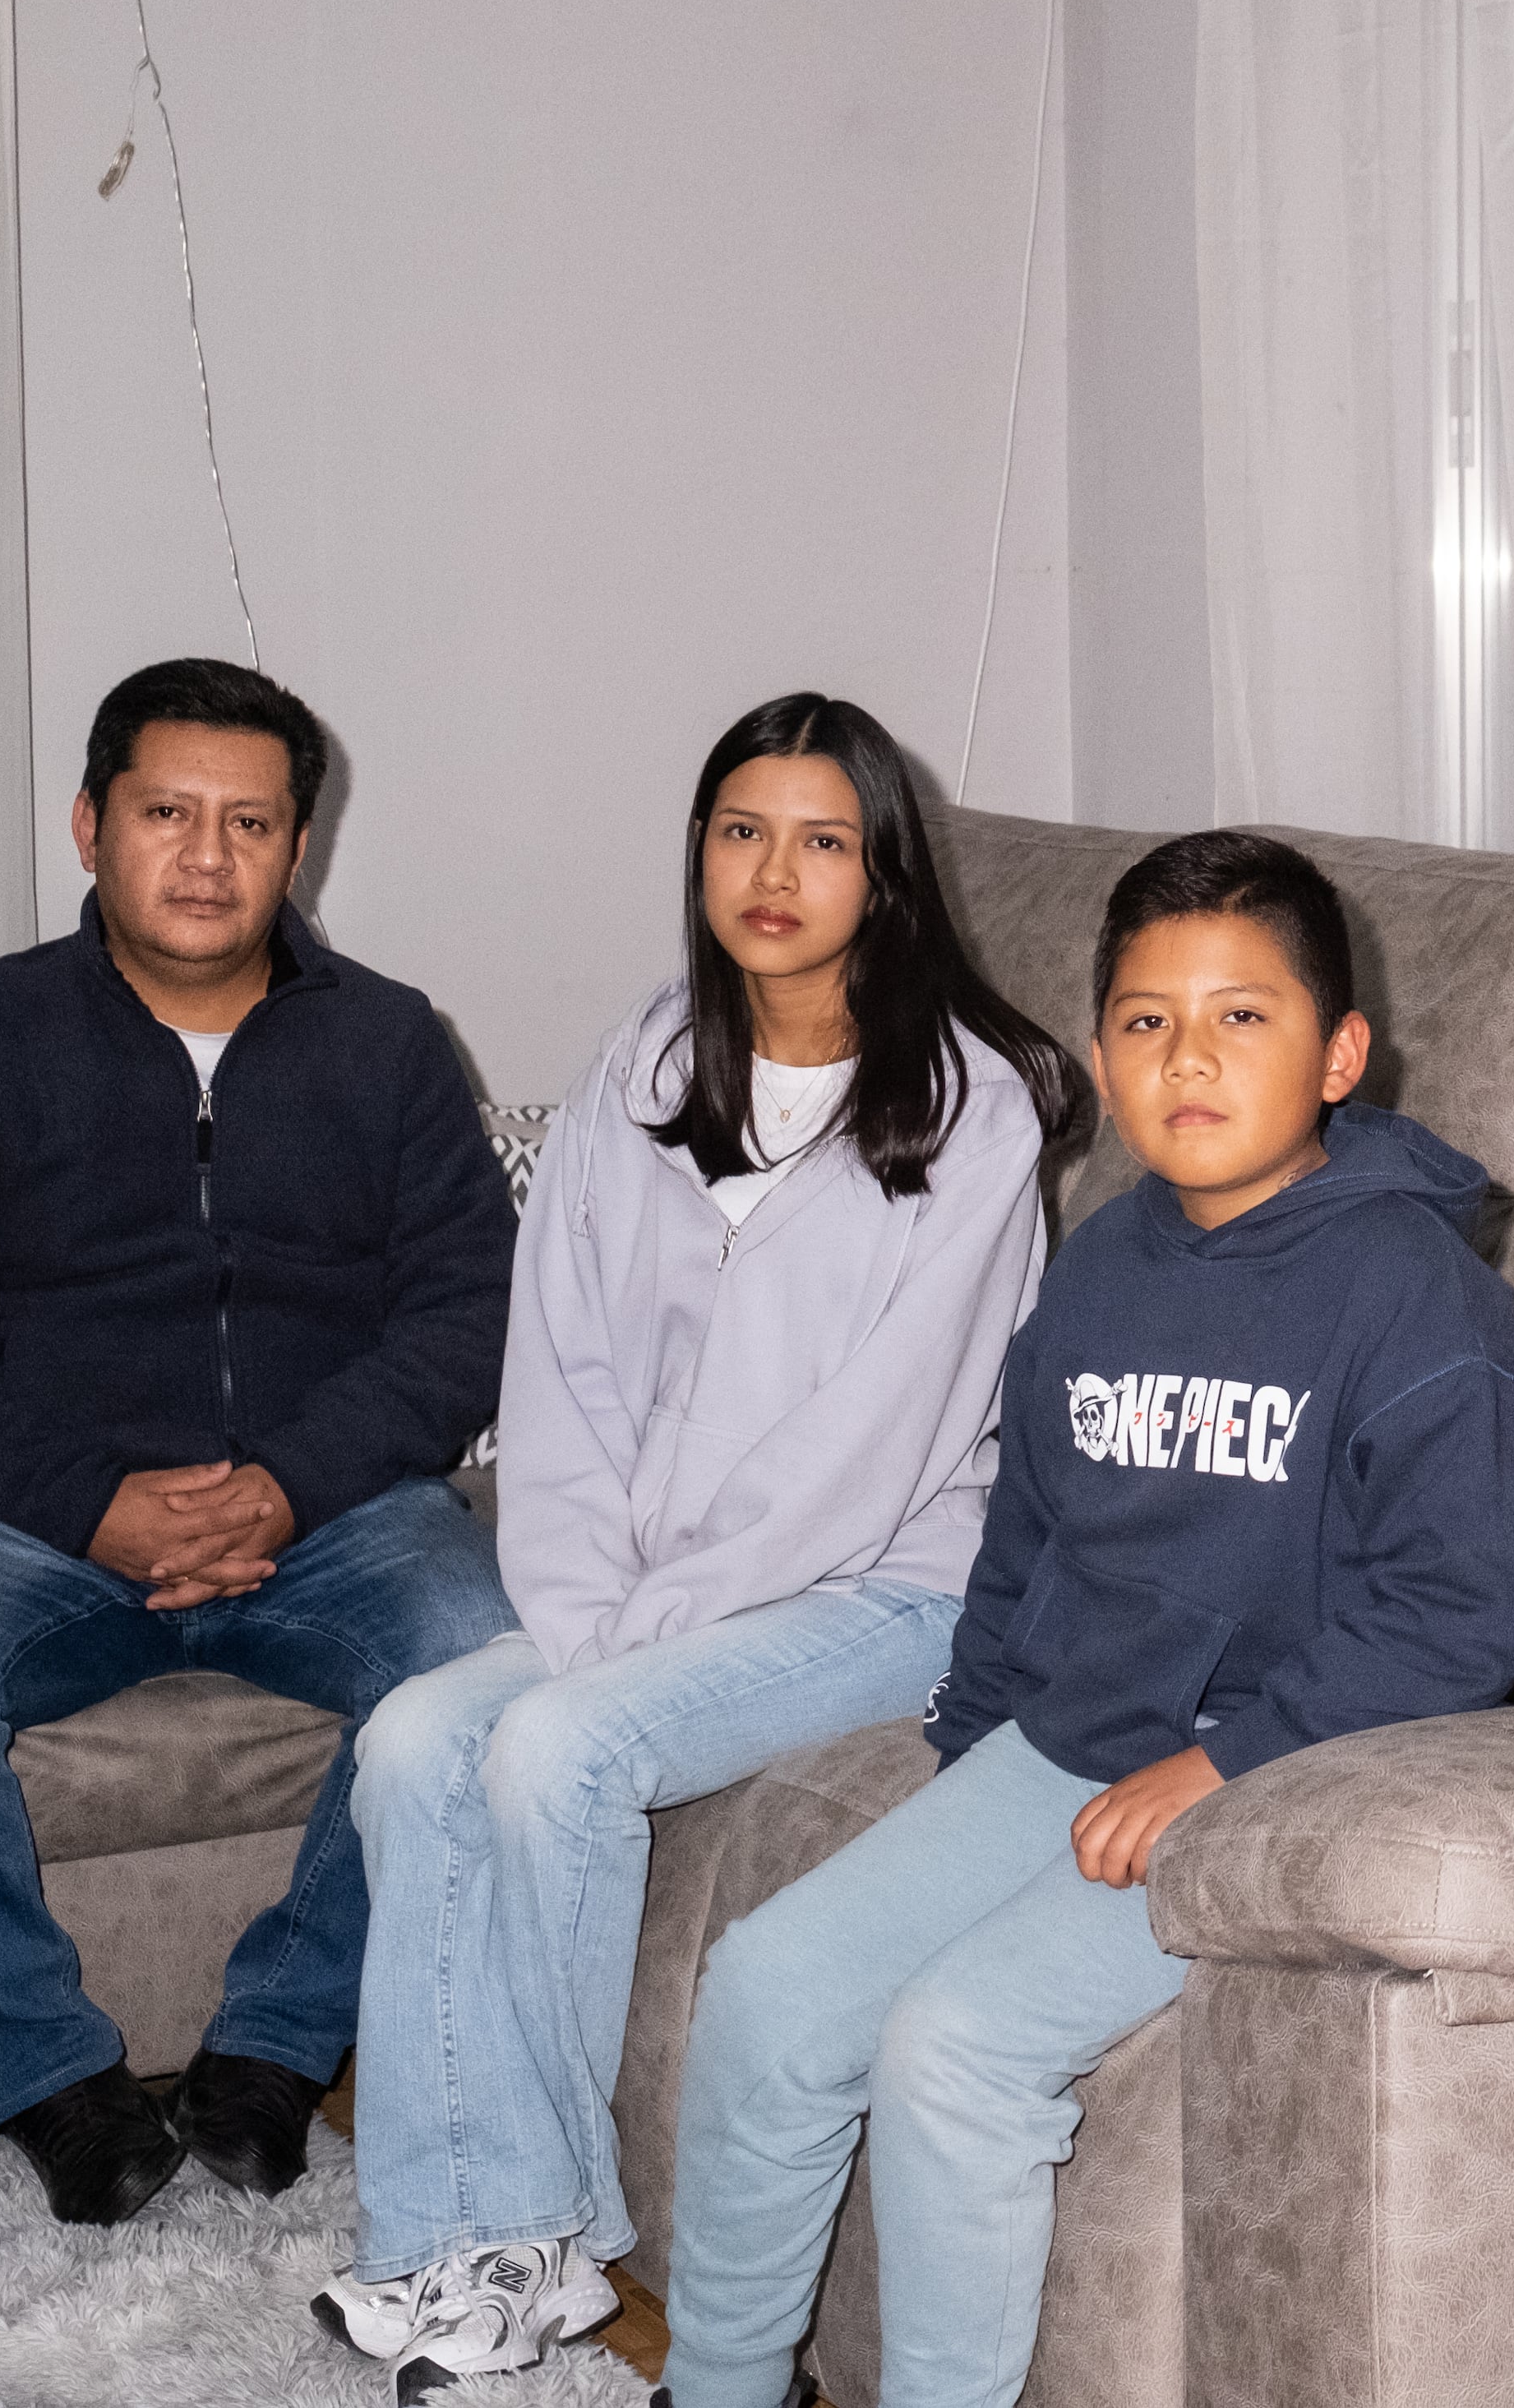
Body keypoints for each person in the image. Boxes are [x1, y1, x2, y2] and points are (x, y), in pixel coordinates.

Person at [656, 830, 1514, 2408]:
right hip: (1069, 1738)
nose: (1187, 1057)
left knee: (955, 2046)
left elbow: (1465, 1610)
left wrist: (1226, 1767)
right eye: (1146, 1021)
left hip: (1286, 1770)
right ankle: (724, 2385)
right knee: (771, 1984)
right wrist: (966, 1747)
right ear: (1099, 1054)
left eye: (1242, 1017)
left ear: (1343, 1051)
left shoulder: (1420, 1296)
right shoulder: (1097, 1270)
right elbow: (1028, 1539)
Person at [312, 694, 1082, 2385]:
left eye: (823, 838)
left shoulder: (975, 1105)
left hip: (894, 1580)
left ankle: (542, 2237)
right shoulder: (652, 1058)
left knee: (559, 1752)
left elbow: (874, 1441)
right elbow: (563, 1358)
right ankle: (435, 2239)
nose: (775, 870)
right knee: (417, 1733)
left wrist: (637, 1632)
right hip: (649, 1577)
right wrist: (584, 1594)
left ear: (884, 874)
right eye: (742, 830)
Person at [0, 659, 518, 2225]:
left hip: (333, 1514)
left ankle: (271, 2049)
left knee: (487, 1645)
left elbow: (465, 1315)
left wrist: (291, 1479)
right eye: (167, 813)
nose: (207, 856)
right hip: (45, 1528)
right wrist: (89, 1500)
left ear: (298, 848)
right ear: (89, 825)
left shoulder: (392, 1045)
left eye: (249, 821)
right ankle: (52, 2078)